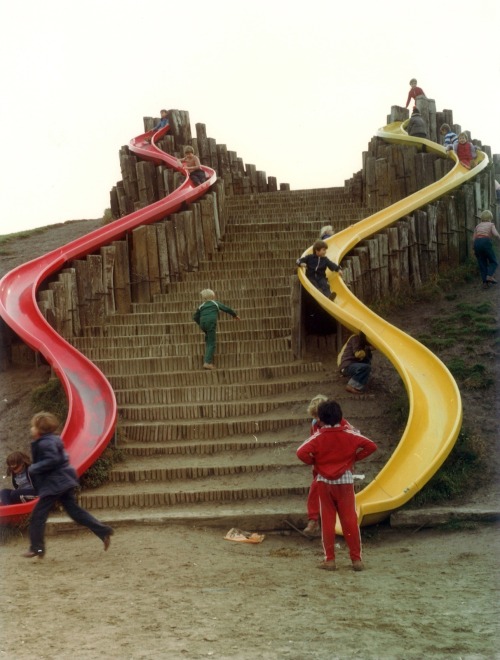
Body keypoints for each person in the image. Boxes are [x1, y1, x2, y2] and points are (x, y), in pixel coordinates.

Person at [297, 399, 377, 571]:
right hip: (345, 482)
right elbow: (371, 446)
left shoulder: (318, 437)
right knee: (350, 520)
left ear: (321, 419)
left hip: (325, 482)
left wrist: (316, 463)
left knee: (327, 521)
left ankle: (330, 560)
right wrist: (353, 458)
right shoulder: (349, 434)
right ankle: (356, 560)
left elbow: (301, 452)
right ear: (340, 417)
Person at [22, 412, 113, 559]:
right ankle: (103, 531)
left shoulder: (45, 443)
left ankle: (37, 548)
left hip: (54, 484)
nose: (31, 429)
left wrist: (34, 468)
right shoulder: (53, 440)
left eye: (32, 426)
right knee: (75, 512)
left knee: (38, 516)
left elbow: (53, 460)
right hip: (63, 481)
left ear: (39, 429)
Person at [193, 289, 240, 370]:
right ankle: (207, 363)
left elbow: (195, 317)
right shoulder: (215, 303)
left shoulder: (201, 306)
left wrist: (201, 324)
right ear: (213, 296)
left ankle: (207, 354)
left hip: (203, 324)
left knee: (208, 339)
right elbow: (227, 309)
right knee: (211, 343)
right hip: (210, 323)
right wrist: (234, 315)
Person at [302, 394, 328, 536]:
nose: (318, 420)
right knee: (315, 488)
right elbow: (313, 441)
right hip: (320, 462)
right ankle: (313, 520)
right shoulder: (314, 424)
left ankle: (316, 520)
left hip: (335, 462)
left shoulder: (338, 423)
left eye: (319, 417)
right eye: (315, 417)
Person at [473, 210, 499, 289]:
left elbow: (473, 238)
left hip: (477, 243)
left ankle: (485, 283)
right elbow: (495, 234)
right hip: (485, 242)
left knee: (482, 263)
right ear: (490, 218)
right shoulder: (491, 224)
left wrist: (473, 248)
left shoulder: (477, 226)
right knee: (494, 261)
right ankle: (489, 276)